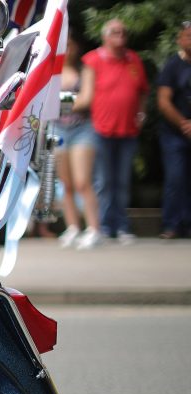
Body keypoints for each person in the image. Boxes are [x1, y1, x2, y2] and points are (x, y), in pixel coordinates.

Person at [82, 19, 148, 245]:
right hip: (100, 130)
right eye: (116, 32)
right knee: (103, 181)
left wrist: (141, 113)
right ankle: (104, 226)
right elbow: (87, 94)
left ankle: (120, 226)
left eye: (123, 32)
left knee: (121, 182)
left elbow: (142, 91)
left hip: (127, 130)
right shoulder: (93, 59)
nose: (121, 36)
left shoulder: (133, 59)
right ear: (105, 37)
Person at [55, 30, 102, 250]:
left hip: (83, 129)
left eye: (70, 44)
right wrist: (69, 101)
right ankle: (73, 227)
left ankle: (93, 229)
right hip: (58, 130)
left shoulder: (86, 70)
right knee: (65, 184)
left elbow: (86, 100)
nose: (67, 48)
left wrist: (58, 104)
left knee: (83, 182)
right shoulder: (52, 71)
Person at [156, 21, 191, 239]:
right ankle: (172, 225)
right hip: (174, 133)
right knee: (176, 178)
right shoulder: (172, 65)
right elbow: (163, 101)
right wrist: (185, 124)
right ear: (179, 39)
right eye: (188, 36)